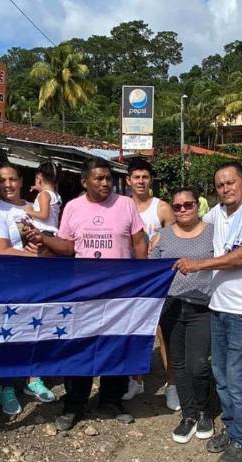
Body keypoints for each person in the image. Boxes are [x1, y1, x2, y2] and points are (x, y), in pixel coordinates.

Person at [26, 157, 147, 431]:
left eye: (108, 178)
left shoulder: (126, 204)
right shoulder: (72, 207)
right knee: (79, 346)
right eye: (99, 178)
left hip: (119, 293)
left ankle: (111, 399)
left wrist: (142, 279)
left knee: (115, 346)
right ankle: (74, 403)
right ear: (85, 182)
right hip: (83, 293)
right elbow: (68, 247)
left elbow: (139, 242)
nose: (105, 183)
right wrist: (43, 239)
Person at [175, 161, 242, 462]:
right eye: (220, 185)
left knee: (237, 376)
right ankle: (233, 428)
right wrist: (159, 239)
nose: (225, 189)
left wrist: (196, 265)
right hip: (219, 304)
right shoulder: (219, 213)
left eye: (230, 182)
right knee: (221, 374)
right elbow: (190, 225)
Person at [0, 163, 56, 413]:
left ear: (20, 180)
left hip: (37, 282)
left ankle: (33, 379)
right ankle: (6, 386)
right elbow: (0, 250)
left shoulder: (32, 208)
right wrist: (32, 256)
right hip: (10, 282)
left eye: (12, 179)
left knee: (35, 328)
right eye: (2, 180)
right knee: (9, 333)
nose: (8, 184)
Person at [149, 187, 214, 443]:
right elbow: (150, 269)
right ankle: (188, 415)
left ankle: (204, 410)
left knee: (197, 364)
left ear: (197, 205)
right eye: (177, 207)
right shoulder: (162, 235)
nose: (183, 210)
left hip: (203, 307)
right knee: (178, 364)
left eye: (188, 205)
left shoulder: (213, 231)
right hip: (171, 307)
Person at [122, 158, 177, 408]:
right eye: (136, 177)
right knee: (133, 330)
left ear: (150, 180)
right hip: (130, 278)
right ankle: (136, 379)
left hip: (157, 278)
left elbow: (178, 236)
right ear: (128, 180)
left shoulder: (162, 208)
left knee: (164, 332)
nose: (141, 181)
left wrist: (161, 238)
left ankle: (172, 383)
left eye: (145, 177)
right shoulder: (121, 206)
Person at [24, 161, 62, 233]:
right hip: (52, 232)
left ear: (39, 179)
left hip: (43, 231)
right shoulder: (56, 195)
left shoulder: (43, 194)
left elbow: (44, 215)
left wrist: (29, 211)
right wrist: (39, 188)